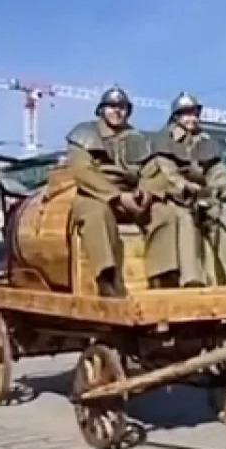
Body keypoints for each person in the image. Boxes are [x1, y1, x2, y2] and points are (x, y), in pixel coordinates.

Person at [141, 92, 226, 287]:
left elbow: (217, 171)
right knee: (185, 218)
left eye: (194, 113)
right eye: (186, 114)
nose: (191, 118)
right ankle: (191, 277)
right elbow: (166, 173)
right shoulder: (164, 139)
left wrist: (219, 188)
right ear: (176, 117)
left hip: (200, 195)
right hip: (171, 197)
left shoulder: (205, 141)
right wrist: (185, 187)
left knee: (222, 216)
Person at [65, 86, 153, 297]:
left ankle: (164, 275)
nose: (117, 111)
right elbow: (82, 171)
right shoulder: (84, 133)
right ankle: (106, 275)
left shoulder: (138, 139)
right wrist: (116, 196)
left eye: (122, 107)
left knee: (167, 214)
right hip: (94, 194)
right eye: (112, 106)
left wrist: (146, 192)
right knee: (97, 214)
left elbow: (153, 170)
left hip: (133, 196)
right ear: (102, 110)